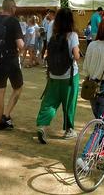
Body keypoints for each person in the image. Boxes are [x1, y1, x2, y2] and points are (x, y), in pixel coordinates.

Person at [36, 8, 80, 144]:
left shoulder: (53, 36)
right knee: (69, 104)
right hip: (69, 76)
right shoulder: (72, 36)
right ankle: (69, 130)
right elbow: (76, 56)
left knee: (50, 102)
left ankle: (42, 126)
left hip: (54, 75)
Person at [0, 0, 24, 130]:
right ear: (12, 8)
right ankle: (5, 115)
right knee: (18, 87)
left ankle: (0, 120)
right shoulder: (14, 21)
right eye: (15, 7)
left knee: (0, 90)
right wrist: (21, 52)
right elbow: (20, 44)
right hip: (11, 59)